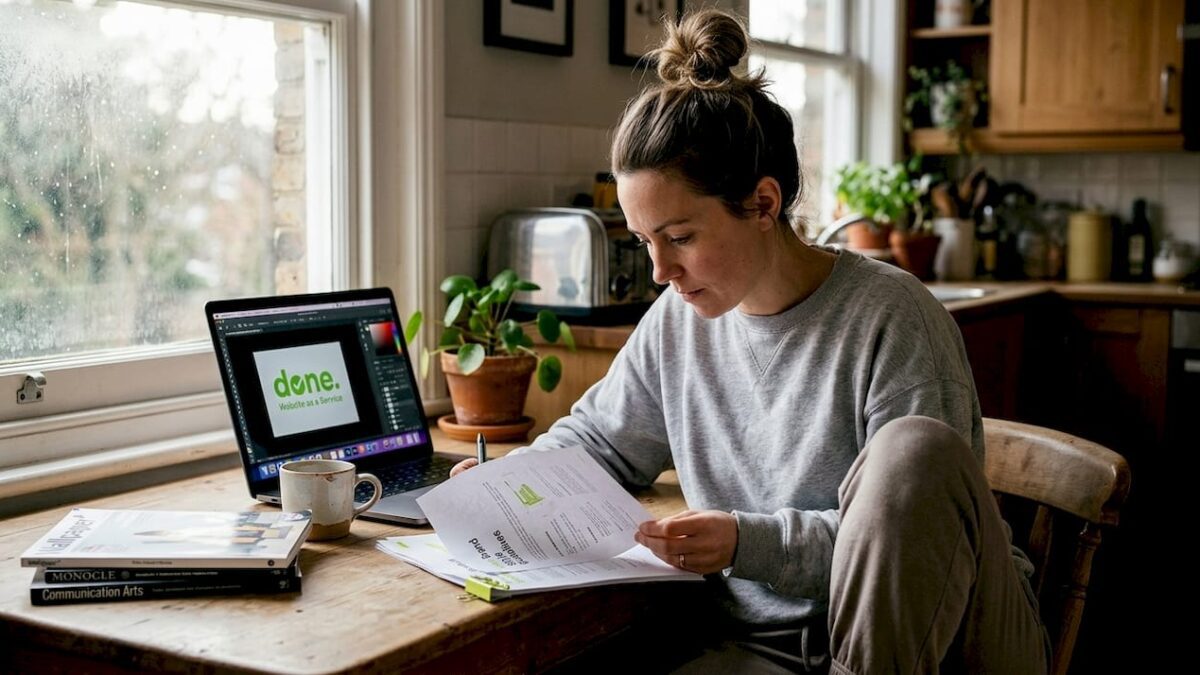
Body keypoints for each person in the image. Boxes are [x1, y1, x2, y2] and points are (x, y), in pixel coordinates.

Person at [451, 9, 1051, 674]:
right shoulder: (680, 318)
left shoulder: (892, 315)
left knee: (914, 451)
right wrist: (510, 484)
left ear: (764, 205)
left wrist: (746, 542)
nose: (660, 271)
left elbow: (913, 543)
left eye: (679, 237)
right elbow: (596, 442)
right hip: (766, 649)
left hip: (953, 637)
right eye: (644, 241)